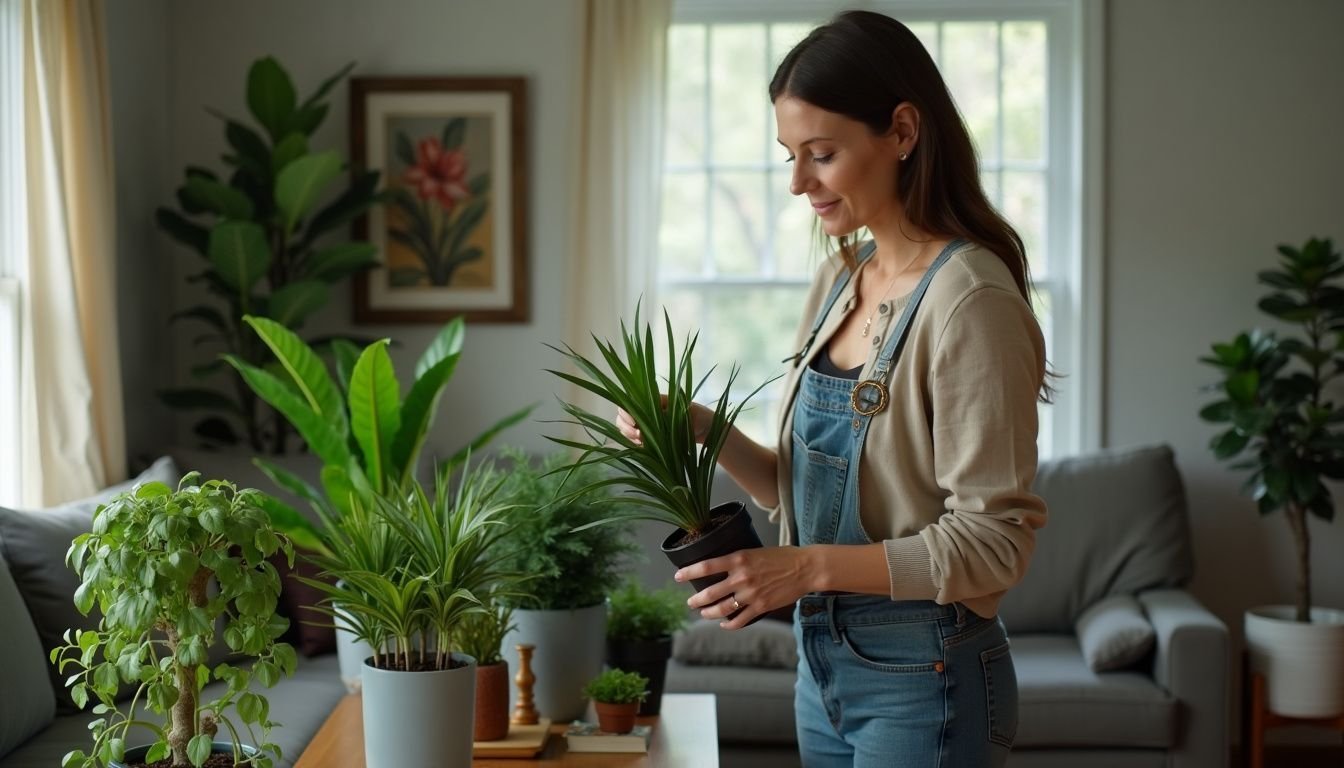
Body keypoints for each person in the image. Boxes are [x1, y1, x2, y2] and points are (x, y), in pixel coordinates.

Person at [616, 9, 1049, 767]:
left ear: (903, 133)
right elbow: (797, 490)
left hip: (927, 674)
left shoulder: (969, 300)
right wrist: (696, 424)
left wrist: (804, 567)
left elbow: (993, 544)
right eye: (790, 154)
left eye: (821, 153)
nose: (796, 183)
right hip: (822, 669)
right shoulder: (838, 279)